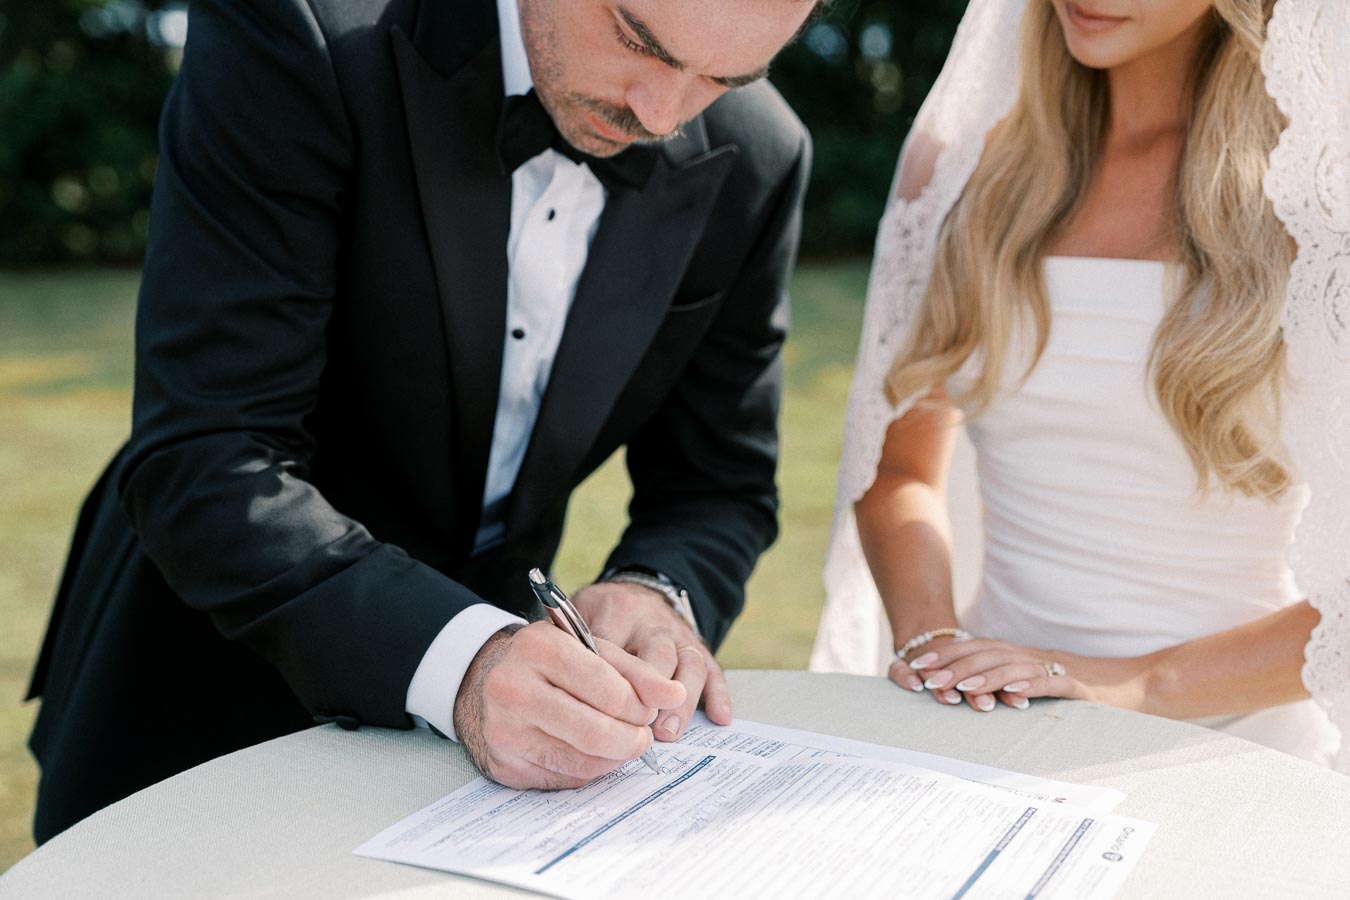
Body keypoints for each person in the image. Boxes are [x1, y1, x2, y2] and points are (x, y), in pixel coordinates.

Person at [26, 0, 817, 841]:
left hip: (477, 784)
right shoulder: (300, 29)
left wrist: (654, 590)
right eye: (637, 41)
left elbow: (719, 484)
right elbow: (211, 451)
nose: (660, 115)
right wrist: (464, 663)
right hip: (201, 698)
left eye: (724, 78)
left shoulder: (760, 155)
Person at [811, 0, 1349, 769]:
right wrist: (936, 646)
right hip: (993, 733)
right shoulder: (963, 169)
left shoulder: (1320, 200)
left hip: (1238, 754)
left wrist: (1121, 686)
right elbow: (895, 467)